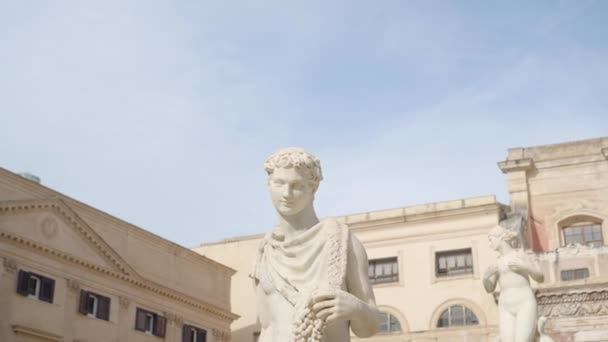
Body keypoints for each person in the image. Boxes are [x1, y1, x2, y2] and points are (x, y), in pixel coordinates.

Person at [251, 147, 381, 342]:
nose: (286, 193)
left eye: (297, 185)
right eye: (279, 183)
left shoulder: (343, 243)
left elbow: (370, 327)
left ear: (313, 188)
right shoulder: (266, 250)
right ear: (269, 184)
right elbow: (267, 326)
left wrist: (356, 308)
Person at [483, 214, 544, 342]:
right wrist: (485, 279)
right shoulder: (497, 262)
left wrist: (525, 267)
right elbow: (490, 289)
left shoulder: (521, 255)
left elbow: (540, 277)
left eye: (491, 239)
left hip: (524, 302)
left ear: (501, 238)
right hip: (505, 305)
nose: (489, 243)